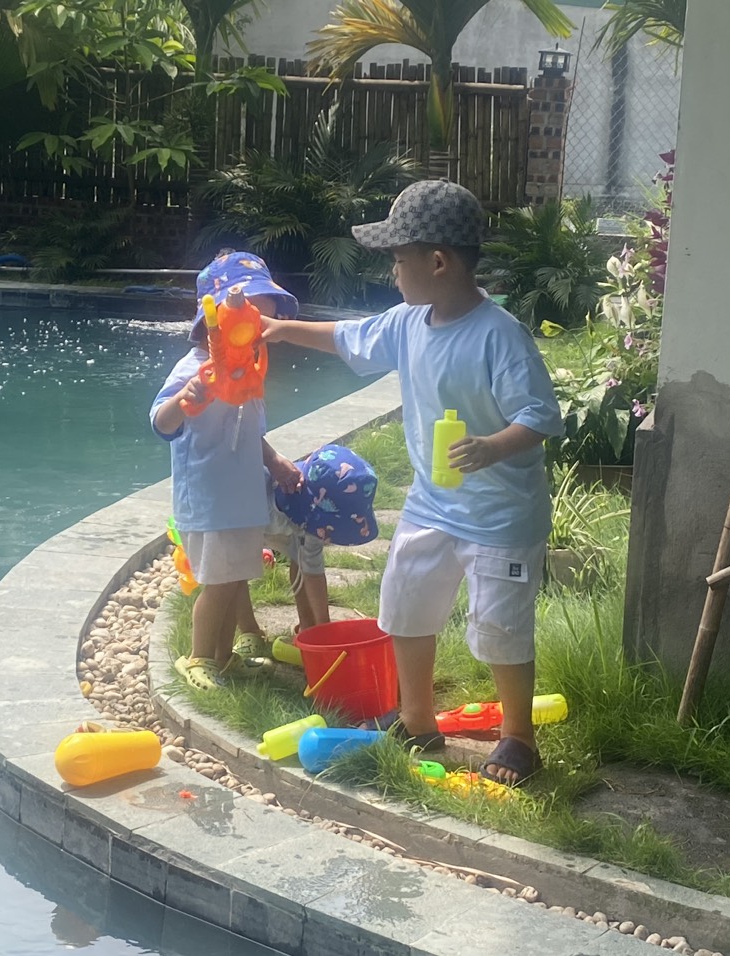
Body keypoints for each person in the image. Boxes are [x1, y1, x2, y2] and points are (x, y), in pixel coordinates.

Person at [259, 179, 564, 786]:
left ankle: (518, 739)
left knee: (501, 628)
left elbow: (539, 417)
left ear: (438, 262)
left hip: (499, 516)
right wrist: (282, 329)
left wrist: (490, 447)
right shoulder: (407, 322)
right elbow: (347, 337)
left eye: (398, 261)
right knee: (404, 607)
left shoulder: (498, 335)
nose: (393, 273)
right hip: (433, 505)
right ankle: (419, 719)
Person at [151, 251, 303, 690]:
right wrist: (186, 399)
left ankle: (222, 658)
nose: (261, 329)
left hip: (242, 497)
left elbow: (249, 433)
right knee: (217, 583)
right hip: (209, 497)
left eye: (264, 324)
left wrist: (273, 461)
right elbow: (159, 423)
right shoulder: (191, 369)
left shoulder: (248, 373)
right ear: (217, 320)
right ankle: (198, 658)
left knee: (235, 580)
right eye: (254, 317)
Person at [234, 443, 380, 657]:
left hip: (286, 523)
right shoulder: (256, 498)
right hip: (243, 519)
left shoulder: (314, 520)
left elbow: (312, 570)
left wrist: (324, 630)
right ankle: (249, 630)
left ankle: (309, 629)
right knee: (234, 572)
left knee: (300, 560)